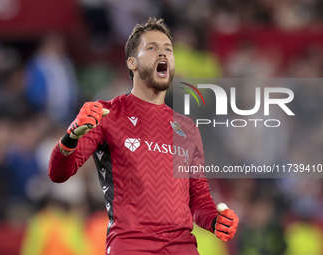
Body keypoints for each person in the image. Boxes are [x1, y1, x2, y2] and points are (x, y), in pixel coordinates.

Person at [48, 17, 239, 255]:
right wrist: (72, 135)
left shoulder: (187, 128)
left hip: (183, 248)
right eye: (152, 48)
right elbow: (58, 173)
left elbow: (198, 200)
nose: (163, 54)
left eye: (168, 49)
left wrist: (214, 220)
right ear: (132, 63)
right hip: (132, 246)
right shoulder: (107, 114)